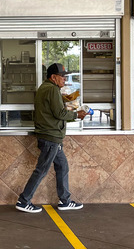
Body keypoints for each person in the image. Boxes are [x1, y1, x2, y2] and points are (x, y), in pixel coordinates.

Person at [15, 63, 87, 213]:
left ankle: (65, 200)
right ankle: (23, 200)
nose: (64, 80)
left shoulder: (46, 88)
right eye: (62, 77)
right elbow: (59, 114)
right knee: (41, 170)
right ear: (53, 77)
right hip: (50, 137)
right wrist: (76, 115)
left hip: (51, 136)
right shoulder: (52, 90)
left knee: (62, 166)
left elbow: (53, 110)